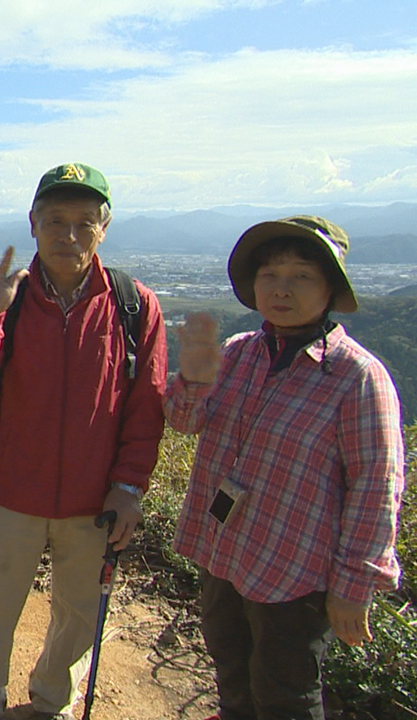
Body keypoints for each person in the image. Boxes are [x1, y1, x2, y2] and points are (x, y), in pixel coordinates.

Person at [0, 163, 167, 720]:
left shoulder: (133, 305)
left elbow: (147, 408)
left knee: (78, 615)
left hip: (95, 503)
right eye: (56, 221)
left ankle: (52, 702)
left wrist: (129, 489)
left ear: (105, 227)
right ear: (33, 224)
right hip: (13, 494)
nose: (69, 234)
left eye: (84, 222)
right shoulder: (11, 299)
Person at [168, 216, 404, 720]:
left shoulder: (359, 378)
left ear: (331, 289)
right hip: (222, 551)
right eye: (270, 275)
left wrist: (353, 587)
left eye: (301, 276)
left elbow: (376, 489)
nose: (282, 289)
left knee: (285, 692)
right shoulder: (237, 354)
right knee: (229, 665)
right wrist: (188, 378)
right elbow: (185, 424)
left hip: (293, 569)